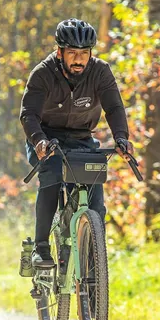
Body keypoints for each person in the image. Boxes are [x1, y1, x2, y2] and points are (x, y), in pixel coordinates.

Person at [19, 18, 135, 268]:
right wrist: (39, 141)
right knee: (51, 176)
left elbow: (114, 107)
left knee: (94, 188)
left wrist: (121, 138)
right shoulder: (43, 74)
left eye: (84, 53)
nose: (79, 60)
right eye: (72, 53)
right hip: (46, 138)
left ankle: (93, 259)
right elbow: (29, 114)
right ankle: (41, 248)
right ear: (59, 52)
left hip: (82, 139)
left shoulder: (100, 72)